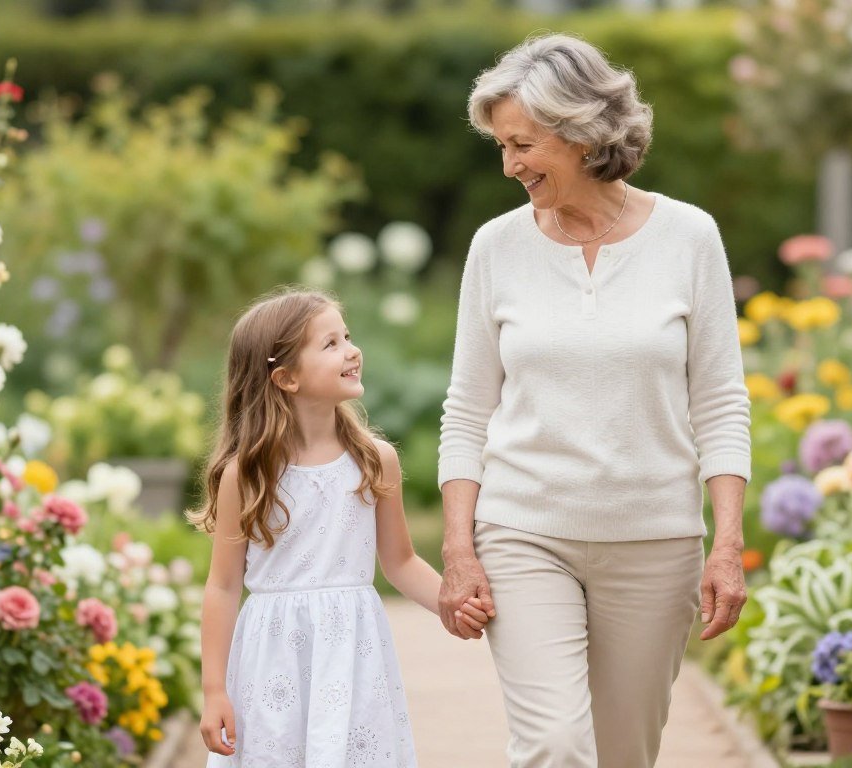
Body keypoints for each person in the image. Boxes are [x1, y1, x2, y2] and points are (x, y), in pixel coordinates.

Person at [436, 34, 753, 768]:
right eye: (501, 146)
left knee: (621, 754)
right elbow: (466, 410)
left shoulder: (688, 237)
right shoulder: (496, 247)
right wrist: (459, 549)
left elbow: (720, 402)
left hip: (654, 540)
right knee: (553, 744)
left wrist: (727, 543)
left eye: (523, 144)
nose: (510, 164)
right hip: (524, 530)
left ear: (583, 133)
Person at [192, 288, 492, 766]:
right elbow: (223, 586)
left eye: (347, 337)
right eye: (330, 344)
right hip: (272, 658)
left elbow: (400, 562)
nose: (353, 350)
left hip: (353, 651)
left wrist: (451, 606)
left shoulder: (375, 461)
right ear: (285, 378)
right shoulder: (246, 475)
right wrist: (213, 691)